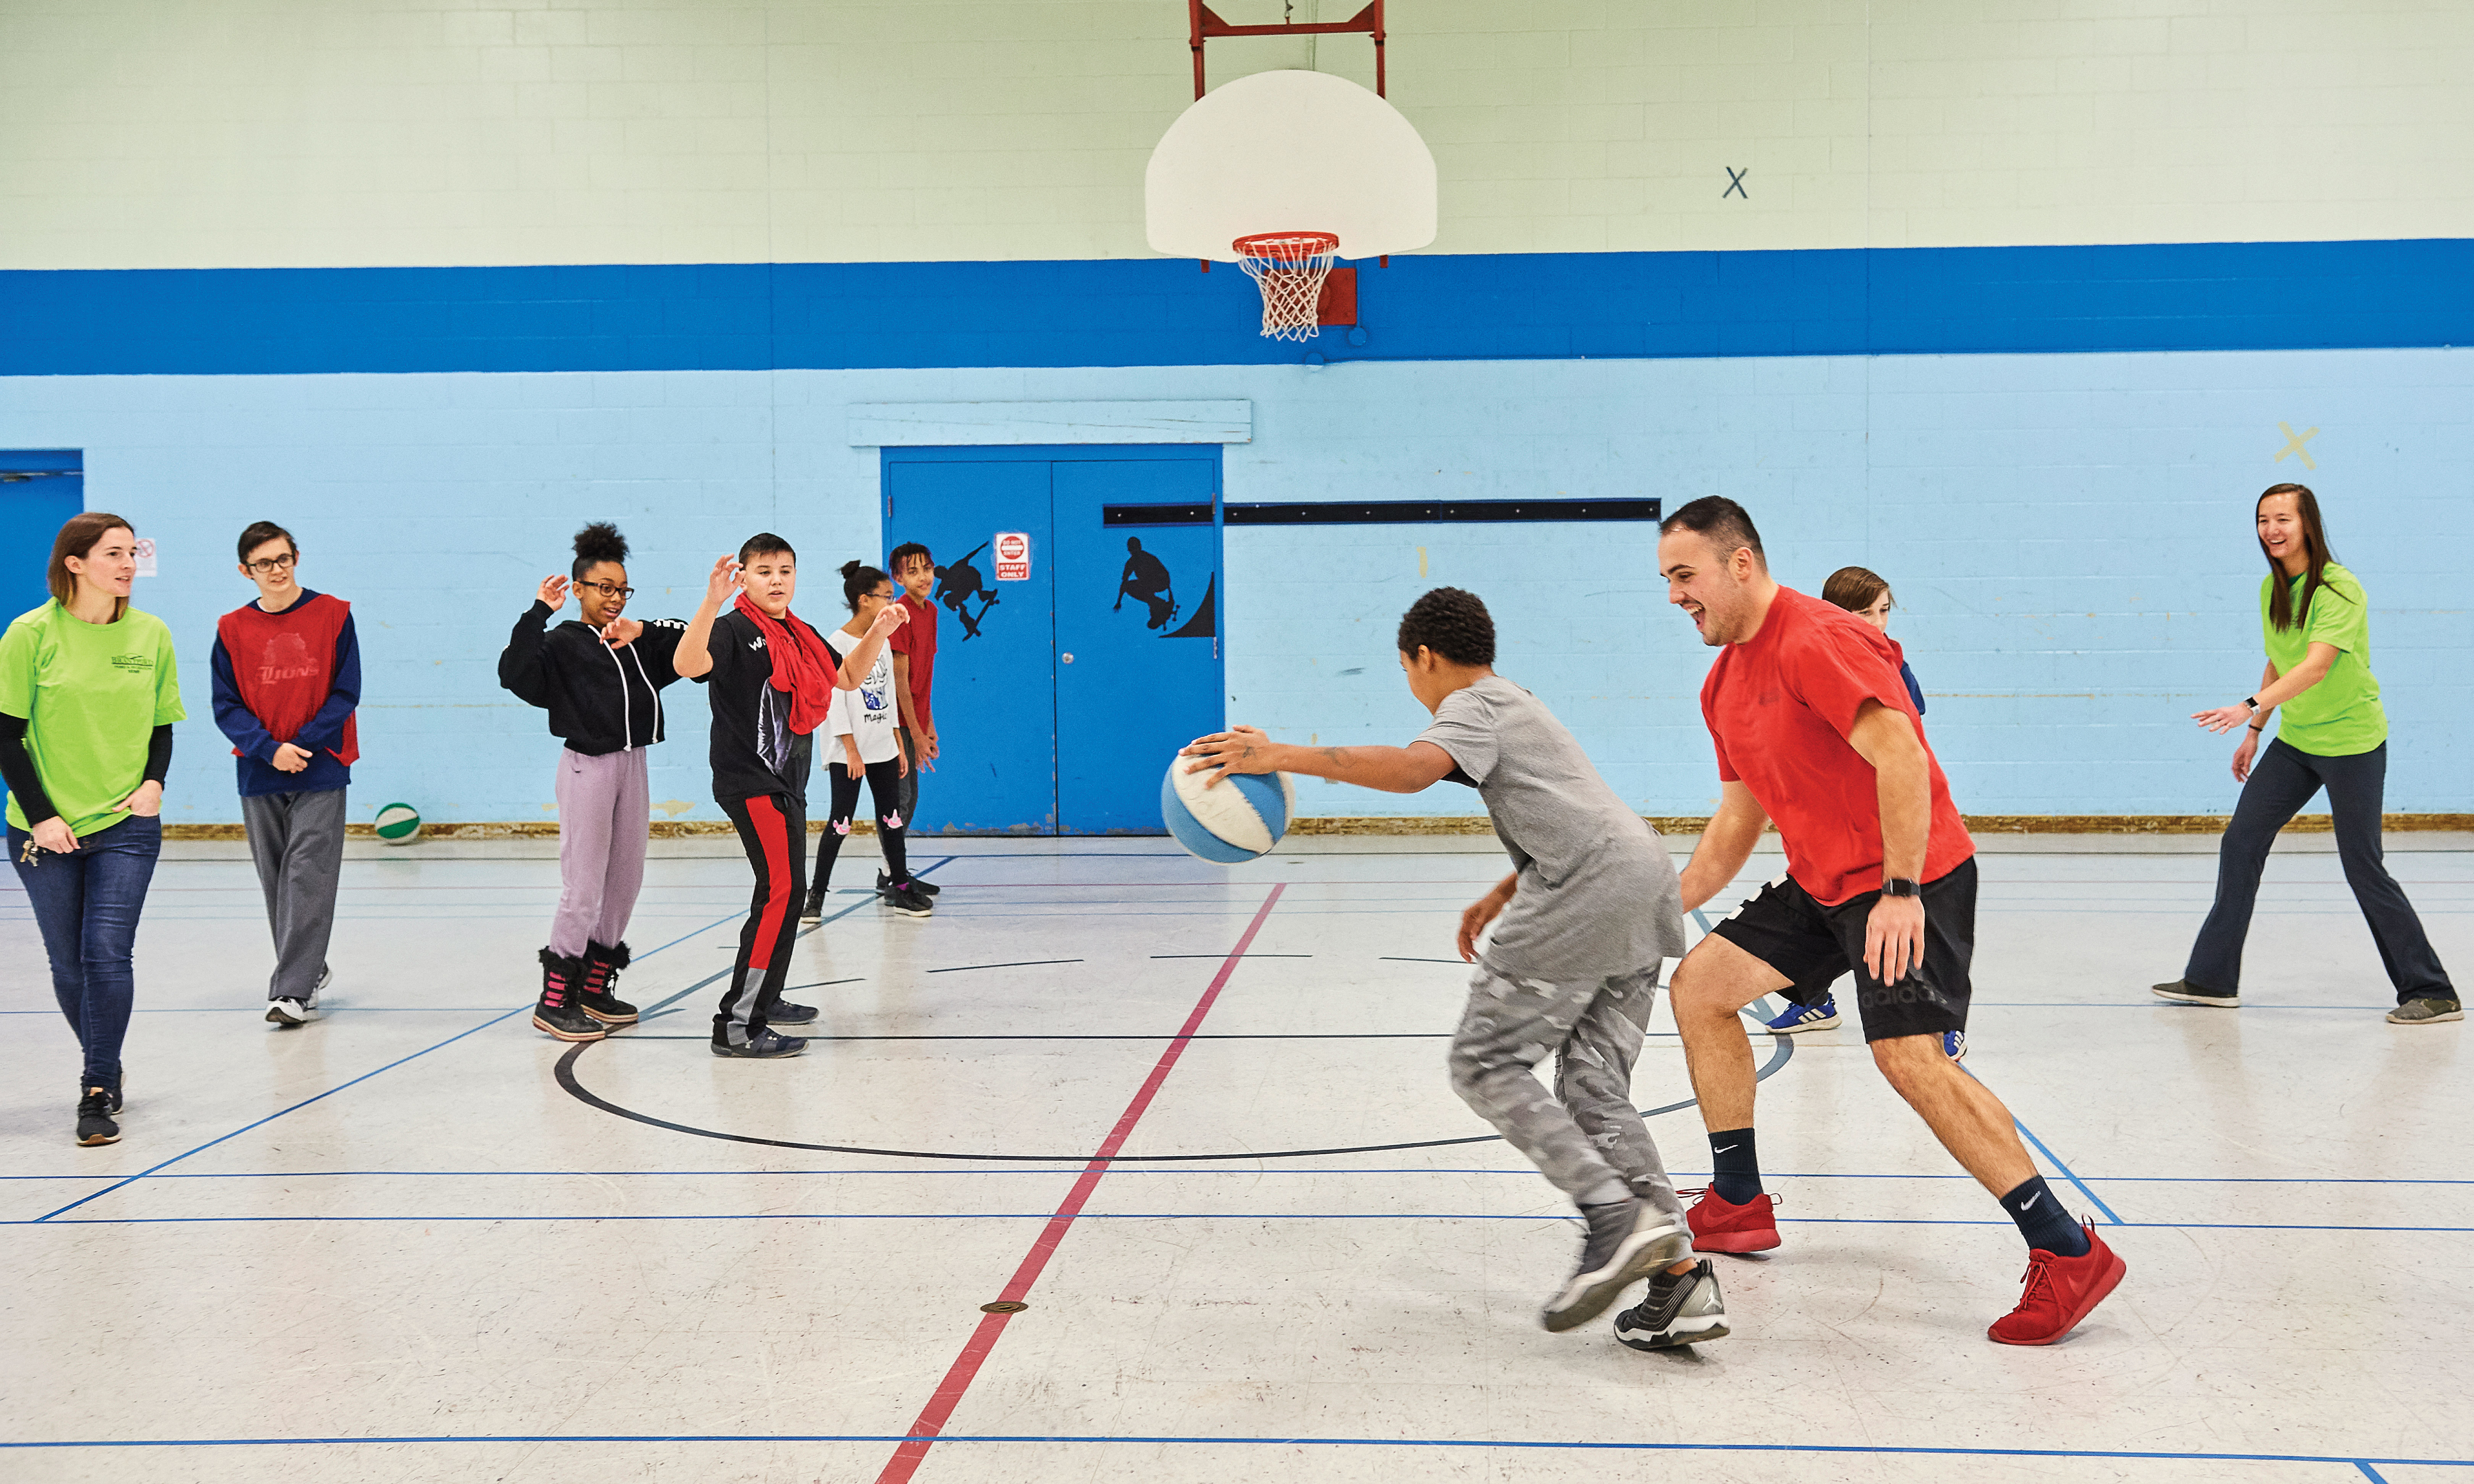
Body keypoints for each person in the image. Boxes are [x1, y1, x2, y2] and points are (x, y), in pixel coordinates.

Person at [1182, 587, 1727, 1348]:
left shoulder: (1471, 704)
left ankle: (1613, 1216)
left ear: (1425, 657)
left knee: (1484, 1064)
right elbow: (1567, 807)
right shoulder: (1517, 700)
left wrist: (1278, 755)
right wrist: (1505, 889)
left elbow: (1412, 771)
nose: (1414, 689)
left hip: (1587, 889)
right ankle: (1679, 1281)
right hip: (1641, 880)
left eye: (1408, 673)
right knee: (1593, 1084)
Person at [1657, 496, 2125, 1346]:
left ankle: (2069, 1251)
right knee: (1700, 989)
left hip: (1913, 877)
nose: (1675, 596)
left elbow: (1901, 753)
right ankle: (1737, 1199)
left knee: (1908, 1058)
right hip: (1823, 881)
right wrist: (1659, 906)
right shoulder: (1722, 686)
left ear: (1742, 565)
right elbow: (1736, 825)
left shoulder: (1817, 638)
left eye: (1685, 576)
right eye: (1666, 581)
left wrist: (1903, 891)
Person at [2154, 484, 2458, 1023]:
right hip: (2298, 741)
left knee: (2363, 865)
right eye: (2263, 520)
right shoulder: (2273, 589)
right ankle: (2212, 978)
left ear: (2308, 526)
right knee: (2242, 841)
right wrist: (2255, 728)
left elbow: (2316, 666)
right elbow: (2281, 660)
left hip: (2352, 743)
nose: (2272, 529)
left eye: (2283, 519)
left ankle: (2430, 990)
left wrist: (2244, 704)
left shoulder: (2339, 589)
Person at [675, 533, 906, 1058]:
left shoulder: (798, 632)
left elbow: (846, 675)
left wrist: (878, 629)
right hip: (751, 783)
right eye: (764, 571)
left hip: (788, 783)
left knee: (786, 892)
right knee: (780, 894)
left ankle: (768, 996)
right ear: (745, 578)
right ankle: (737, 1024)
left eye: (785, 570)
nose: (776, 580)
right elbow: (688, 666)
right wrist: (710, 603)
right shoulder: (733, 629)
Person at [2, 513, 184, 1146]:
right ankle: (106, 1057)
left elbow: (162, 722)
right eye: (114, 552)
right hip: (42, 832)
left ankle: (97, 1087)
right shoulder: (30, 634)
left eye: (132, 552)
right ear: (75, 562)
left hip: (126, 824)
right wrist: (44, 814)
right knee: (68, 964)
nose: (129, 562)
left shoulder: (151, 634)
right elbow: (6, 733)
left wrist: (155, 782)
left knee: (106, 951)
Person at [499, 522, 691, 1043]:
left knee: (625, 881)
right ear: (578, 588)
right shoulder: (562, 643)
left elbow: (690, 645)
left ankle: (595, 986)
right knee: (583, 886)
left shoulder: (635, 640)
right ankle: (555, 999)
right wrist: (539, 611)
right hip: (587, 765)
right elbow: (513, 672)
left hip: (634, 764)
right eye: (604, 588)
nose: (614, 598)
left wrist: (644, 626)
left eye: (622, 589)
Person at [1763, 565, 1963, 1060]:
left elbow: (1906, 751)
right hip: (1834, 826)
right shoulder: (1809, 665)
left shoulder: (1893, 667)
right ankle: (1813, 1001)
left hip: (1889, 821)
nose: (1877, 624)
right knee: (1820, 920)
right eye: (1864, 613)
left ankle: (1944, 1022)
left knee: (1912, 923)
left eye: (1884, 612)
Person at [212, 521, 360, 1029]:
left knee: (307, 878)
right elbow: (225, 705)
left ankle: (291, 991)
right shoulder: (231, 629)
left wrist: (304, 744)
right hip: (260, 770)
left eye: (282, 559)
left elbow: (346, 693)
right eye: (263, 564)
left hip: (322, 767)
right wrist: (269, 749)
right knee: (277, 882)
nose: (275, 571)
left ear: (296, 556)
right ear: (245, 571)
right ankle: (311, 968)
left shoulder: (334, 615)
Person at [807, 560, 931, 919]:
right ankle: (816, 896)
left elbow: (889, 691)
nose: (894, 604)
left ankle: (902, 888)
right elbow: (834, 701)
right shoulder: (837, 643)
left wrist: (896, 740)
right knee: (840, 822)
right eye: (887, 597)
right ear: (864, 600)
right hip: (850, 750)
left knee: (892, 818)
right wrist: (850, 750)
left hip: (883, 747)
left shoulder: (881, 637)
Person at [883, 540, 944, 872]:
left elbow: (925, 676)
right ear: (898, 578)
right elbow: (900, 683)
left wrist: (928, 725)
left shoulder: (931, 611)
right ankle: (896, 875)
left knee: (912, 801)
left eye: (928, 569)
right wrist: (916, 735)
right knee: (900, 801)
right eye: (913, 571)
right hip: (894, 724)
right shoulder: (900, 613)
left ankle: (896, 872)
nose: (923, 577)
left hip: (915, 721)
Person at [1115, 536, 1179, 629]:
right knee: (1129, 587)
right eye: (1132, 549)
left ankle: (1157, 605)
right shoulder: (1131, 563)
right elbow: (1125, 583)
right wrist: (1119, 602)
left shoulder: (1149, 558)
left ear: (1139, 547)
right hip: (1152, 584)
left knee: (1140, 588)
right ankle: (1156, 605)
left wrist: (1170, 595)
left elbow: (1163, 573)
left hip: (1160, 582)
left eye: (1135, 548)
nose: (1134, 551)